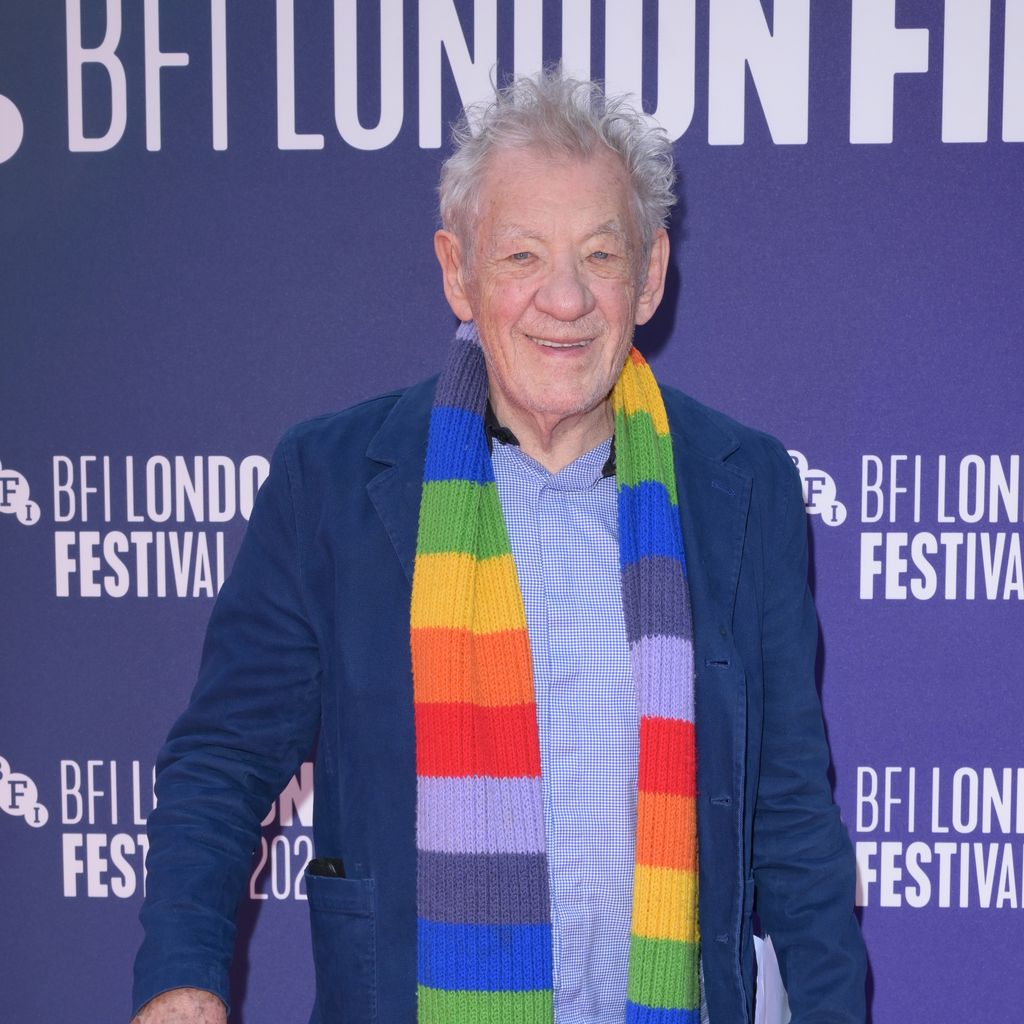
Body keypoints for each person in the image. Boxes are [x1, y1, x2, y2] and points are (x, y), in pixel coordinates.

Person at [132, 71, 866, 1024]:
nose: (563, 300)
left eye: (600, 256)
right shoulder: (333, 481)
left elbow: (793, 819)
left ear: (648, 276)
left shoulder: (745, 488)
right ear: (457, 270)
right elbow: (223, 761)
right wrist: (181, 978)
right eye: (522, 254)